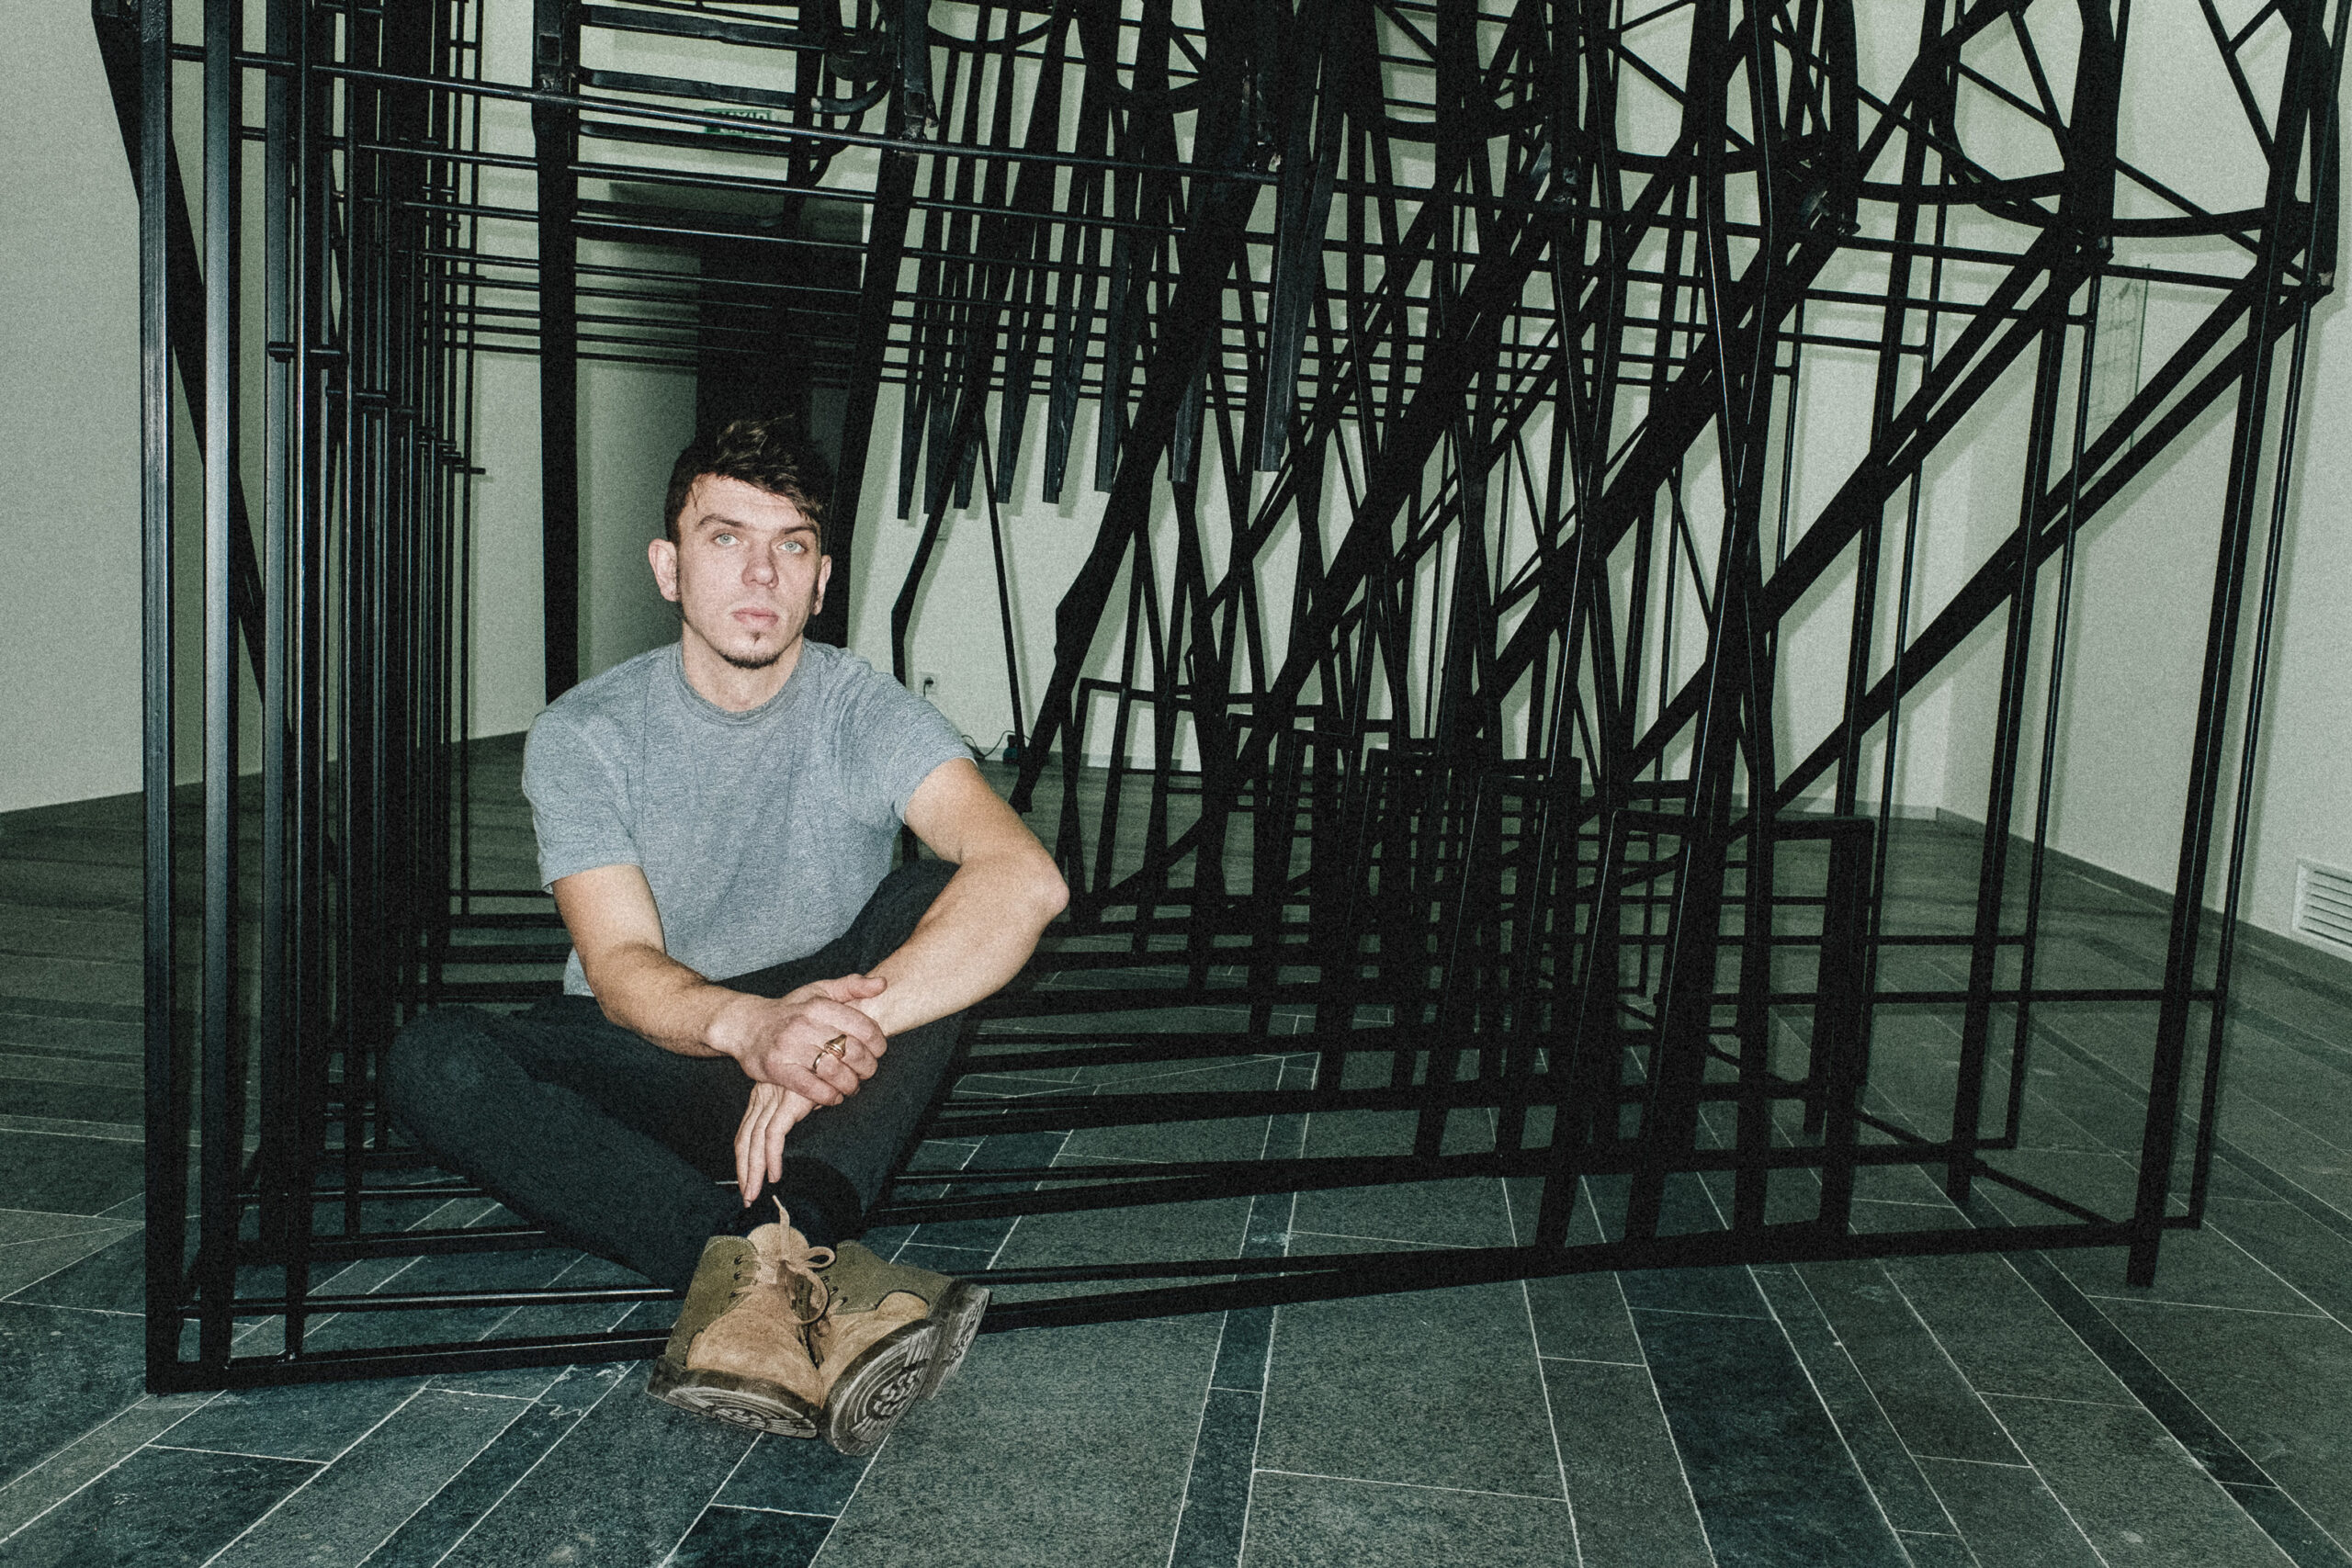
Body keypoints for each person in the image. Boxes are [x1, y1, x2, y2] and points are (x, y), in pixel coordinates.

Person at [385, 415, 1068, 1455]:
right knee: (433, 1056)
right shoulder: (586, 732)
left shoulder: (861, 708)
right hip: (659, 1043)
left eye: (791, 544)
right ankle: (774, 1268)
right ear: (669, 567)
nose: (760, 573)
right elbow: (621, 967)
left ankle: (780, 1257)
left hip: (830, 1060)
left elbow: (1026, 878)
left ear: (821, 580)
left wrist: (827, 1028)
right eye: (725, 537)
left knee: (942, 895)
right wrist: (754, 1029)